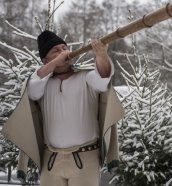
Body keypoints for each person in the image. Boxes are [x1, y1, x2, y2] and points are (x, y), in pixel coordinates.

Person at [2, 30, 125, 186]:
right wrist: (55, 63)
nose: (64, 52)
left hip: (86, 159)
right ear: (45, 60)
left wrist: (101, 55)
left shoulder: (86, 77)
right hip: (51, 160)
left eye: (64, 48)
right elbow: (31, 89)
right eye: (56, 50)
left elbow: (103, 77)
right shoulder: (41, 84)